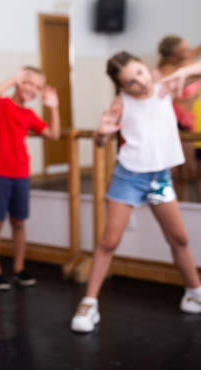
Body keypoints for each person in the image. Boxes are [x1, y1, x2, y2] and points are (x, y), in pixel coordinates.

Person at [71, 53, 201, 333]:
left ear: (146, 67)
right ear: (122, 87)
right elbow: (101, 140)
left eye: (140, 73)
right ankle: (89, 303)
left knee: (178, 238)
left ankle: (194, 292)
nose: (140, 83)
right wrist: (102, 134)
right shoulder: (121, 103)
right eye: (130, 81)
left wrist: (186, 70)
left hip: (159, 177)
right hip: (129, 176)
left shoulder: (165, 87)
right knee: (109, 240)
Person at [0, 66, 60, 290]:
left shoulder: (29, 115)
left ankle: (19, 268)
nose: (32, 89)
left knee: (19, 223)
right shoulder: (3, 105)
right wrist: (12, 79)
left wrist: (54, 108)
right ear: (19, 83)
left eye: (37, 87)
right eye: (29, 83)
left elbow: (53, 135)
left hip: (21, 175)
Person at [157, 35, 201, 201]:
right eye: (184, 50)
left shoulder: (187, 67)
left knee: (192, 171)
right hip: (176, 124)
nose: (190, 51)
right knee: (183, 173)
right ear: (172, 56)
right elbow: (165, 99)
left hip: (189, 122)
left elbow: (197, 50)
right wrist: (188, 99)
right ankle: (180, 206)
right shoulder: (168, 72)